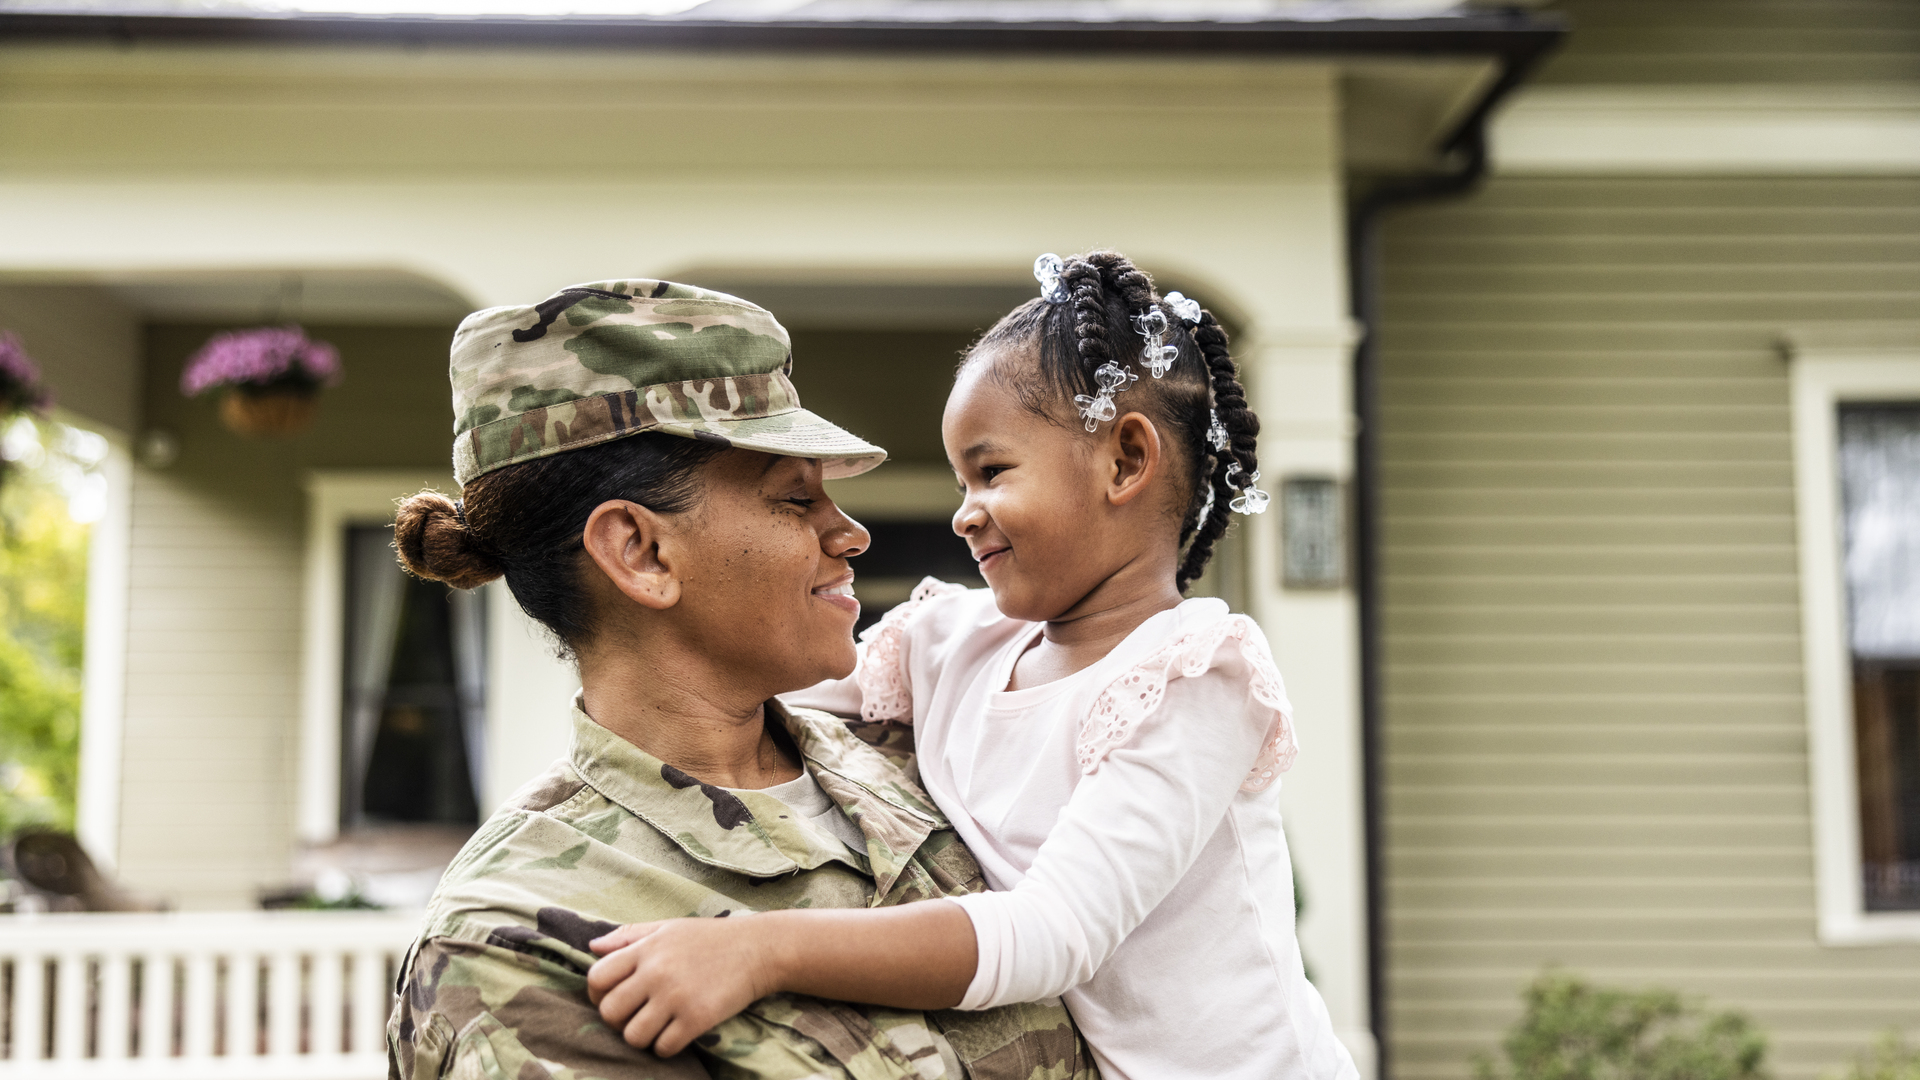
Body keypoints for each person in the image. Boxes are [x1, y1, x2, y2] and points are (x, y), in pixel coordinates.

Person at [585, 252, 1361, 1080]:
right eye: (960, 480)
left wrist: (758, 950)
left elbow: (1052, 935)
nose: (963, 514)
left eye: (992, 472)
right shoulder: (955, 641)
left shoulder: (1196, 679)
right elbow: (733, 681)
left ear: (1126, 462)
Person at [384, 279, 1099, 1080]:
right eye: (795, 499)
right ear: (640, 552)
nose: (852, 533)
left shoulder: (925, 763)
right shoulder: (516, 944)